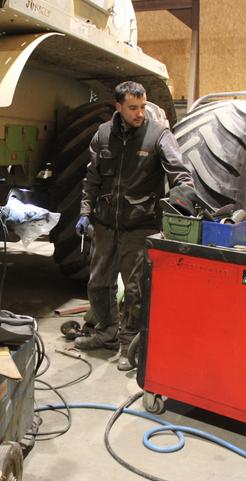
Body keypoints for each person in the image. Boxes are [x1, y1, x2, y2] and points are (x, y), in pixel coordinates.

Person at [73, 81, 194, 371]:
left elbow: (181, 174)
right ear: (119, 107)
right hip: (105, 223)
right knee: (98, 283)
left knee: (135, 289)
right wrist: (85, 212)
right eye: (133, 108)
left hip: (139, 225)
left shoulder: (158, 135)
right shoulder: (102, 135)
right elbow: (92, 179)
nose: (140, 113)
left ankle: (130, 343)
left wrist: (181, 199)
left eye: (142, 107)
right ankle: (107, 331)